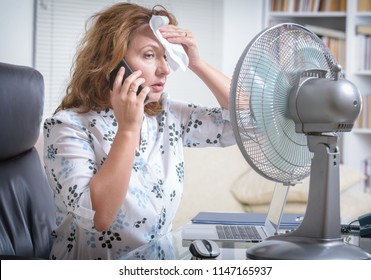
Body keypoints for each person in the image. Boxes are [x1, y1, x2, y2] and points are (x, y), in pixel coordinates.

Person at [43, 2, 235, 260]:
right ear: (113, 64)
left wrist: (197, 63)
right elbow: (98, 217)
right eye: (149, 55)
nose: (165, 69)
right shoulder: (67, 127)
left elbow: (247, 122)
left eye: (165, 55)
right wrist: (128, 129)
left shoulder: (166, 116)